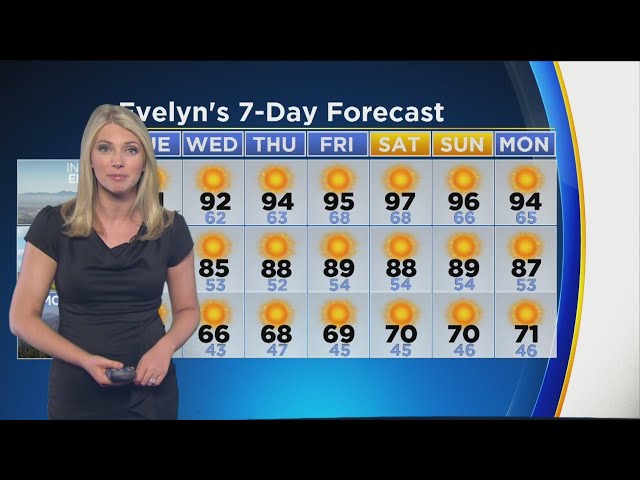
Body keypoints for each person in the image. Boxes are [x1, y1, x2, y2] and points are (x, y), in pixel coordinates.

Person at [9, 104, 200, 419]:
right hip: (76, 393)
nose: (117, 161)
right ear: (89, 158)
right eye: (105, 148)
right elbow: (21, 318)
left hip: (151, 392)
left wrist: (165, 348)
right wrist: (84, 360)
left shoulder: (170, 228)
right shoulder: (53, 224)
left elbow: (188, 310)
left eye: (130, 149)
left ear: (145, 161)